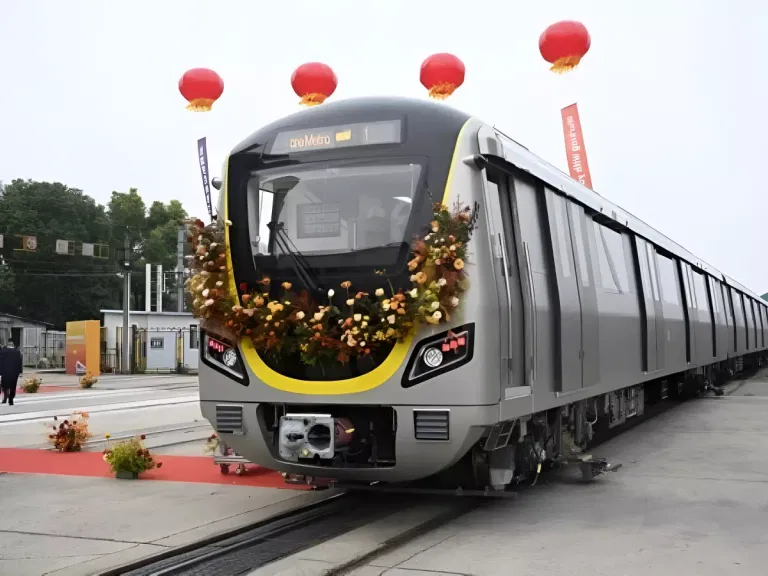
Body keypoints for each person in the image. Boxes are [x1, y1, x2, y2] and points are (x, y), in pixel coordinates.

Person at [0, 340, 23, 406]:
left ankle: (5, 397)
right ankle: (11, 399)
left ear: (8, 345)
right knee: (13, 386)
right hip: (14, 373)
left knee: (4, 386)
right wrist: (20, 372)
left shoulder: (2, 351)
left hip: (5, 372)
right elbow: (20, 362)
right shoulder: (18, 352)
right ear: (13, 345)